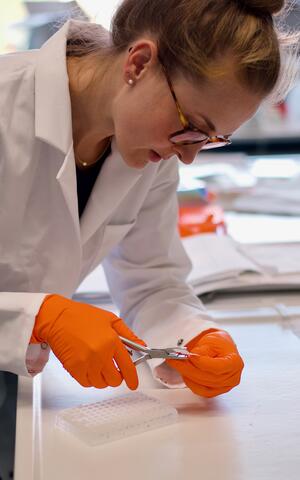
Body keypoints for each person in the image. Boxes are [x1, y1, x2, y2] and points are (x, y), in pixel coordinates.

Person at [0, 0, 297, 398]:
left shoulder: (150, 146)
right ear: (138, 63)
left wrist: (195, 334)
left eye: (210, 140)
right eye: (192, 127)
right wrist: (35, 318)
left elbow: (151, 280)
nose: (189, 155)